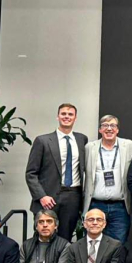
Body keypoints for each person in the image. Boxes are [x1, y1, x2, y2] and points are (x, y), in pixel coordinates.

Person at [24, 103, 89, 240]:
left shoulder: (81, 139)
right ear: (57, 116)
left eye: (70, 114)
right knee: (43, 237)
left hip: (73, 196)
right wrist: (42, 196)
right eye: (63, 114)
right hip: (48, 198)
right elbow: (31, 173)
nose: (67, 117)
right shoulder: (42, 140)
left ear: (75, 118)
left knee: (65, 239)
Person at [82, 114, 132, 243]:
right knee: (93, 244)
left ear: (117, 129)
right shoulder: (89, 148)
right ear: (100, 130)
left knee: (118, 246)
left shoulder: (130, 146)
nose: (109, 129)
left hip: (120, 207)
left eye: (113, 125)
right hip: (95, 205)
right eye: (105, 125)